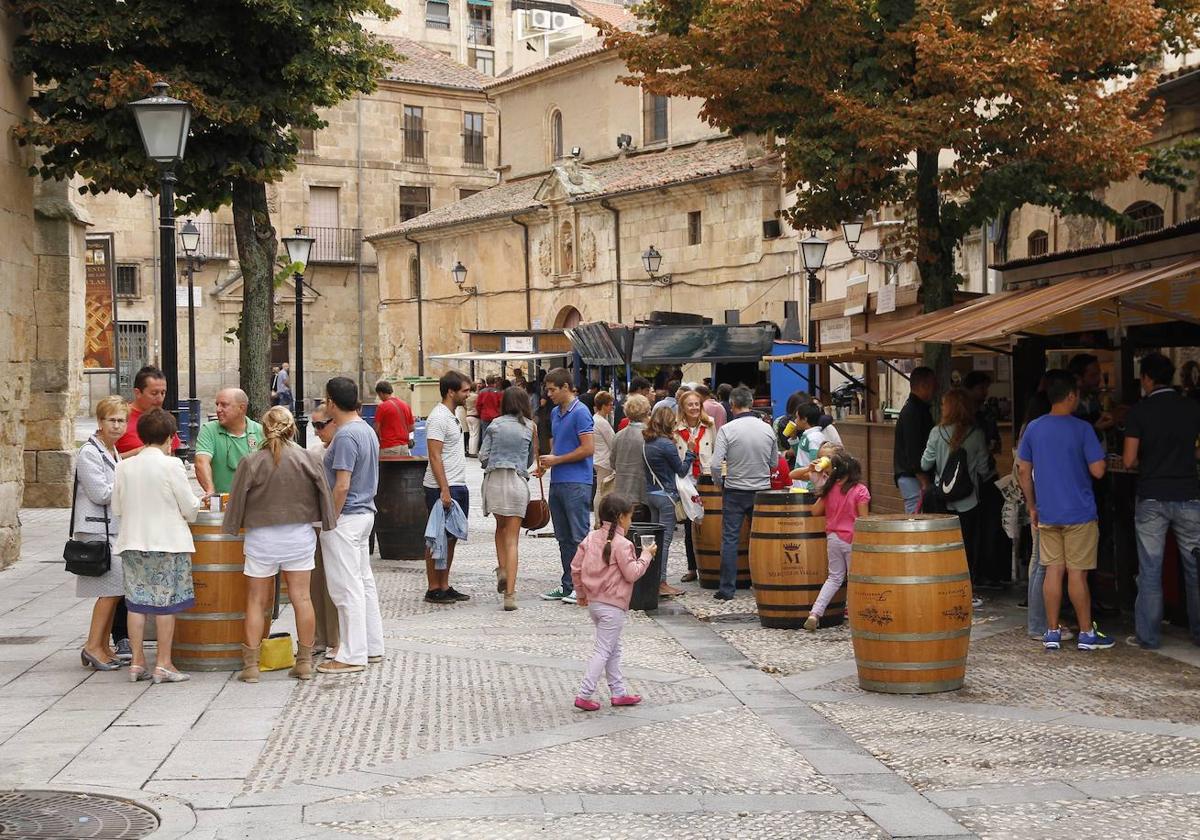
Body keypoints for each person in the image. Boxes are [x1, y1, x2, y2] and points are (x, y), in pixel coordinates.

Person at [223, 406, 334, 682]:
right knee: (302, 598)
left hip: (262, 537)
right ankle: (305, 662)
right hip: (298, 536)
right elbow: (324, 496)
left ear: (264, 429)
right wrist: (327, 523)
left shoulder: (251, 461)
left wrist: (231, 527)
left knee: (256, 601)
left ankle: (251, 666)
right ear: (292, 428)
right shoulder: (308, 459)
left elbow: (236, 502)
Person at [1016, 370, 1114, 651]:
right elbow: (1098, 471)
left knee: (1052, 572)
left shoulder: (1034, 427)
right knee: (1077, 574)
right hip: (1079, 512)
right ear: (1071, 395)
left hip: (1047, 512)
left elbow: (1024, 470)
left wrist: (1032, 505)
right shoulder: (1082, 429)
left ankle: (1051, 632)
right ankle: (1086, 634)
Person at [112, 409, 203, 684]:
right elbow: (189, 508)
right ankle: (163, 662)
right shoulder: (171, 465)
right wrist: (201, 501)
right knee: (166, 604)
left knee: (136, 604)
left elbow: (117, 507)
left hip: (132, 540)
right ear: (170, 438)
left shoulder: (123, 467)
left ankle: (137, 661)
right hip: (167, 541)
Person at [1123, 352, 1200, 649]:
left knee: (1151, 569)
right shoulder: (1192, 407)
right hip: (1189, 495)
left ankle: (1149, 636)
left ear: (1146, 379)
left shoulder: (1140, 412)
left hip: (1152, 497)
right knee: (1195, 568)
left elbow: (1129, 460)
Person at [317, 377, 384, 674]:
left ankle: (352, 654)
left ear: (332, 401)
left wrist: (330, 518)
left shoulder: (344, 436)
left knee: (346, 587)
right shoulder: (365, 429)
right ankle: (371, 645)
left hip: (346, 517)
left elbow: (341, 485)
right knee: (363, 583)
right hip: (364, 513)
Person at [570, 493, 655, 711]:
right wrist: (646, 555)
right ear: (621, 518)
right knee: (603, 650)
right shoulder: (623, 544)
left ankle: (618, 692)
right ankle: (584, 693)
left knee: (613, 648)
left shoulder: (590, 538)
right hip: (613, 606)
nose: (631, 522)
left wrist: (581, 594)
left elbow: (575, 568)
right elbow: (632, 573)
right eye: (629, 517)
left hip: (595, 604)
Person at [921, 388, 991, 603]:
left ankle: (943, 587)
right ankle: (965, 589)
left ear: (949, 408)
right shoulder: (976, 434)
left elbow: (925, 463)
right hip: (968, 500)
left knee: (942, 545)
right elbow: (983, 469)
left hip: (941, 499)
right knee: (967, 545)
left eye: (943, 404)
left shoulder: (936, 432)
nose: (941, 407)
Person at [75, 396, 129, 671]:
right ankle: (92, 646)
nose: (117, 426)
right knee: (109, 591)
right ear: (100, 421)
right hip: (96, 530)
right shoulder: (89, 453)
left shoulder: (112, 451)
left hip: (111, 530)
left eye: (121, 421)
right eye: (112, 420)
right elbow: (100, 493)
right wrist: (130, 483)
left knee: (115, 590)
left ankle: (103, 646)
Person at [711, 386, 777, 601]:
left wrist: (719, 483)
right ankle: (766, 583)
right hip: (761, 490)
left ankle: (727, 589)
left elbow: (714, 464)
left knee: (730, 539)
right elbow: (774, 463)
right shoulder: (767, 429)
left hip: (735, 490)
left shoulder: (727, 430)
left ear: (732, 405)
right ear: (751, 402)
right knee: (762, 539)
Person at [538, 367, 595, 604]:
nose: (549, 394)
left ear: (565, 387)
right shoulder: (555, 413)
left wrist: (557, 460)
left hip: (577, 481)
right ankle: (568, 584)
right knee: (563, 536)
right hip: (559, 480)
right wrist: (547, 464)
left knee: (579, 536)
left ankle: (584, 587)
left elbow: (588, 448)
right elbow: (560, 446)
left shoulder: (581, 412)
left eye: (552, 390)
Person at [480, 386, 537, 612]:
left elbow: (483, 456)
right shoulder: (530, 427)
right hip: (516, 482)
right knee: (512, 538)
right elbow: (530, 459)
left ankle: (502, 569)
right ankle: (510, 595)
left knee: (499, 527)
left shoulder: (494, 424)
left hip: (495, 480)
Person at [422, 370, 473, 604]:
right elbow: (434, 455)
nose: (468, 394)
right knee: (436, 537)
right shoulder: (438, 417)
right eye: (465, 390)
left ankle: (444, 584)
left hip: (456, 483)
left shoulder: (452, 415)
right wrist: (444, 489)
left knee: (451, 537)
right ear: (451, 391)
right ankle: (433, 587)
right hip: (442, 486)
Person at [804, 453, 870, 631]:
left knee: (834, 578)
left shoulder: (830, 488)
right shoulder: (860, 491)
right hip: (853, 539)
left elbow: (815, 511)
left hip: (833, 537)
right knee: (854, 579)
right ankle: (856, 616)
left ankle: (815, 613)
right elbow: (864, 519)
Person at [643, 404, 695, 598]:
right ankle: (661, 582)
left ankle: (653, 579)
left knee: (655, 542)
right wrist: (690, 452)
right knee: (664, 542)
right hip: (666, 497)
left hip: (652, 494)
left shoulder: (647, 442)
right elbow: (681, 470)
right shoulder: (666, 444)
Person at [306, 405, 340, 657]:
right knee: (315, 582)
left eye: (321, 425)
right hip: (314, 524)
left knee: (334, 584)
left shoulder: (343, 447)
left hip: (334, 522)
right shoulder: (313, 452)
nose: (317, 431)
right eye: (313, 426)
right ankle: (319, 637)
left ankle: (336, 639)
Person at [676, 390, 714, 583]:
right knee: (690, 524)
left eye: (696, 404)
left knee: (709, 523)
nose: (693, 408)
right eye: (689, 404)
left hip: (706, 478)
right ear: (683, 407)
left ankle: (711, 565)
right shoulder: (675, 429)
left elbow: (716, 449)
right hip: (686, 481)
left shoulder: (710, 425)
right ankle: (692, 567)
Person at [194, 388, 263, 496]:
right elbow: (201, 462)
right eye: (217, 404)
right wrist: (211, 492)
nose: (218, 409)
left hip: (255, 503)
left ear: (242, 408)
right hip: (224, 503)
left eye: (224, 405)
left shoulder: (260, 431)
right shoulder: (209, 430)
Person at [893, 366, 936, 513]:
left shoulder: (916, 409)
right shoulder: (913, 411)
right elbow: (913, 448)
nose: (934, 390)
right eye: (932, 385)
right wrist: (922, 476)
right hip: (912, 475)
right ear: (923, 385)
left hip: (910, 474)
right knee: (915, 520)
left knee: (915, 516)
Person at [115, 366, 182, 457]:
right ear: (138, 393)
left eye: (163, 393)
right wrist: (143, 451)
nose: (160, 399)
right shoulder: (118, 418)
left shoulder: (165, 419)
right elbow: (107, 460)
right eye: (154, 393)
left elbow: (174, 454)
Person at [610, 394, 652, 521]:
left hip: (621, 493)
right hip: (642, 494)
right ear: (647, 411)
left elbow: (612, 463)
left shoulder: (618, 435)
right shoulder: (648, 435)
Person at [1068, 353, 1113, 438]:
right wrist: (1096, 429)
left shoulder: (1094, 400)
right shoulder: (1068, 406)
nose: (1098, 379)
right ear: (1077, 378)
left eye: (1098, 374)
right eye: (1093, 375)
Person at [788, 403, 828, 490]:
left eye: (797, 417)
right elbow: (800, 455)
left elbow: (816, 467)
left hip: (806, 488)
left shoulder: (814, 438)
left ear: (805, 419)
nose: (795, 421)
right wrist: (793, 438)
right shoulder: (808, 435)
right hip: (800, 485)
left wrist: (811, 489)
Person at [373, 380, 414, 457]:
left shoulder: (382, 407)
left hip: (388, 447)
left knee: (388, 469)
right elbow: (411, 428)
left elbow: (376, 429)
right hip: (404, 448)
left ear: (380, 393)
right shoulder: (405, 405)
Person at [592, 391, 616, 518]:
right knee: (602, 491)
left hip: (598, 459)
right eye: (610, 404)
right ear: (605, 405)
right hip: (604, 461)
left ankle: (598, 517)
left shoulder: (595, 419)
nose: (612, 407)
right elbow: (612, 442)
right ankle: (598, 518)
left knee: (600, 490)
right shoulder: (602, 422)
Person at [476, 375, 503, 441]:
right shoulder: (498, 392)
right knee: (496, 434)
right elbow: (501, 404)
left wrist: (480, 414)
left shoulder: (482, 392)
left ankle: (485, 450)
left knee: (485, 434)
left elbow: (478, 405)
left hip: (484, 415)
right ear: (494, 382)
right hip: (496, 416)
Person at [465, 380, 482, 457]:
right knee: (475, 434)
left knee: (471, 434)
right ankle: (473, 452)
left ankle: (470, 450)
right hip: (475, 416)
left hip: (468, 415)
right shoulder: (476, 396)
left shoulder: (467, 396)